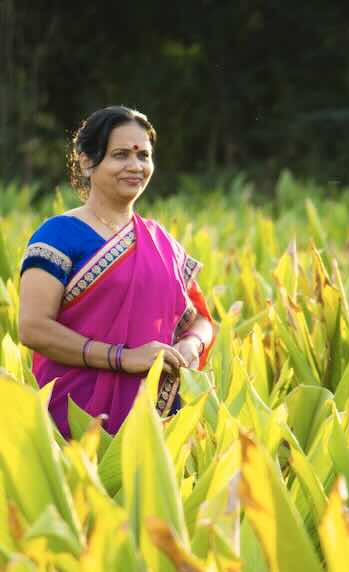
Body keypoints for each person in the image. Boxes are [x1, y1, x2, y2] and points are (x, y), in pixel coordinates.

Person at [18, 106, 215, 438]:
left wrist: (191, 346)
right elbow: (33, 328)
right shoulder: (59, 235)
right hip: (76, 415)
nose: (136, 167)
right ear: (85, 160)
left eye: (144, 156)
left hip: (156, 415)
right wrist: (123, 358)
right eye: (120, 155)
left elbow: (202, 320)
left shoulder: (160, 241)